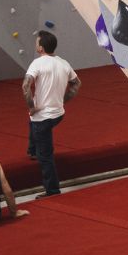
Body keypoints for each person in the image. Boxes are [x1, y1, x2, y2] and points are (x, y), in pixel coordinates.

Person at [22, 30, 81, 197]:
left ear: (40, 48)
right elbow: (77, 84)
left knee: (45, 155)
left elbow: (25, 87)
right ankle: (32, 150)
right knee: (33, 121)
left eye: (36, 43)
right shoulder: (63, 63)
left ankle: (52, 189)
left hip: (43, 116)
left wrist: (31, 106)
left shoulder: (37, 63)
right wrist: (63, 100)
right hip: (58, 113)